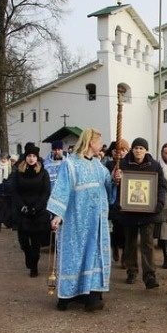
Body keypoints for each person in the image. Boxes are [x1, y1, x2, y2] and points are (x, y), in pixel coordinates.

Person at [47, 128, 113, 312]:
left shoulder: (99, 166)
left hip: (95, 223)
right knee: (74, 256)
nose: (101, 145)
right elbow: (62, 189)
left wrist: (116, 179)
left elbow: (109, 187)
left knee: (93, 256)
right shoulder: (70, 164)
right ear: (91, 142)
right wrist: (57, 215)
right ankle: (67, 297)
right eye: (99, 141)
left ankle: (91, 295)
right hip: (76, 221)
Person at [112, 137, 167, 290]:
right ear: (132, 149)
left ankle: (149, 275)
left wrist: (160, 203)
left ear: (146, 150)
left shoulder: (155, 166)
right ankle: (132, 271)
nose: (138, 151)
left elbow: (161, 186)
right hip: (128, 212)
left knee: (147, 244)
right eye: (136, 148)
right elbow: (115, 185)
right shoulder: (123, 164)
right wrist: (116, 183)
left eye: (141, 148)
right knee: (129, 243)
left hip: (147, 213)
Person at [11, 144, 52, 277]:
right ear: (25, 157)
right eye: (29, 156)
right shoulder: (19, 172)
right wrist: (21, 206)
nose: (31, 158)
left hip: (38, 212)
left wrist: (37, 207)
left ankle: (34, 267)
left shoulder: (43, 173)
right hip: (22, 212)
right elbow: (15, 191)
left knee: (35, 243)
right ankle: (28, 255)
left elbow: (46, 192)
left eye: (34, 156)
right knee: (23, 242)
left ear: (37, 158)